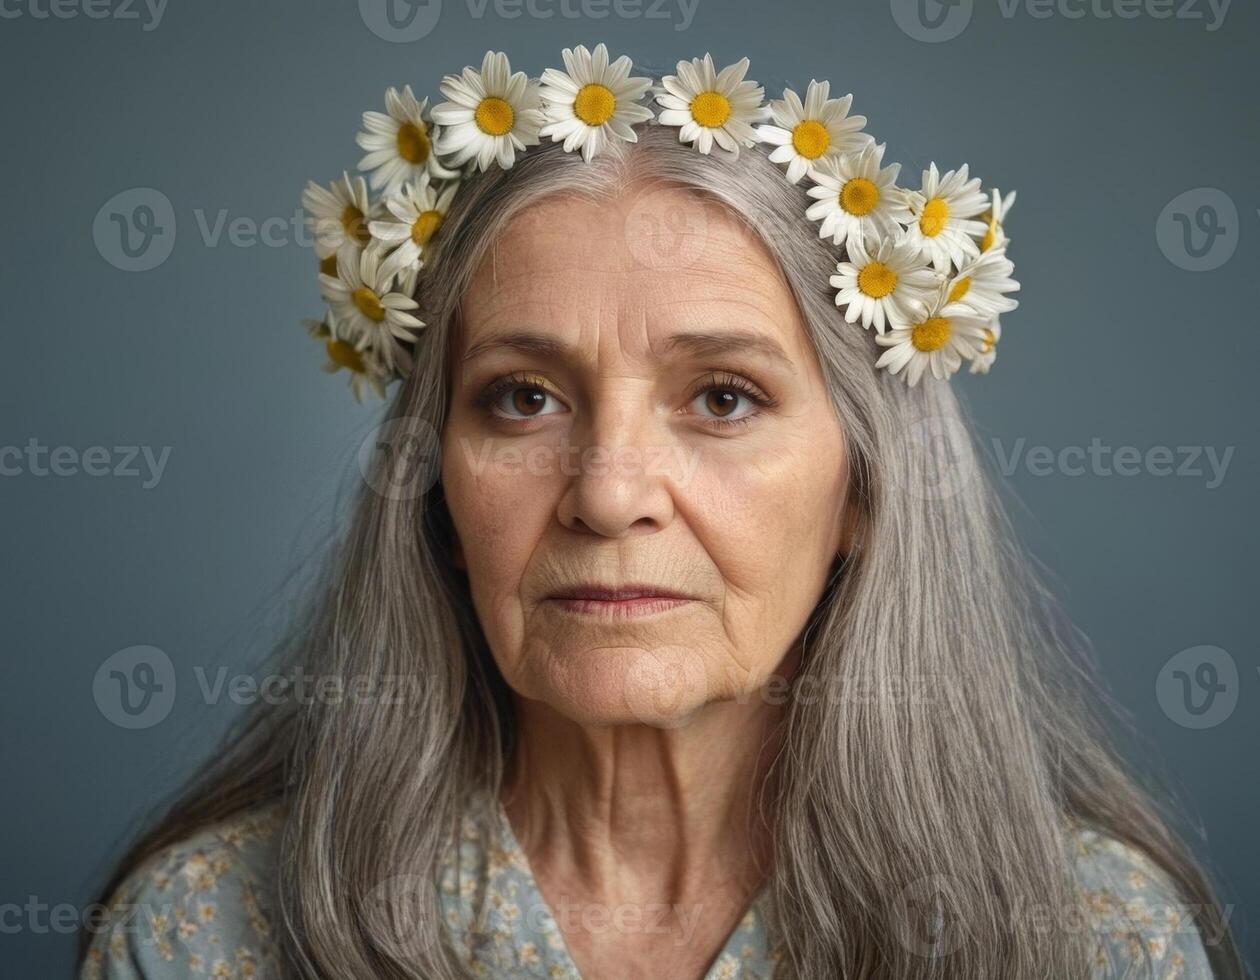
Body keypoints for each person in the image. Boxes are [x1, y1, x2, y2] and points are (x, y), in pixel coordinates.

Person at [80, 46, 1243, 980]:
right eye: (523, 398)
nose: (608, 491)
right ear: (434, 481)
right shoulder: (203, 936)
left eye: (723, 397)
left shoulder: (1097, 944)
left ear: (865, 493)